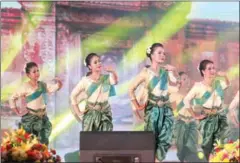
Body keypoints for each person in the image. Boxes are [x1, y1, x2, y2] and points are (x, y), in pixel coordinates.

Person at [129, 43, 178, 162]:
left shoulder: (165, 71)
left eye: (164, 53)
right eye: (159, 53)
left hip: (166, 108)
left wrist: (173, 71)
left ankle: (157, 160)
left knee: (167, 137)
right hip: (153, 109)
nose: (162, 55)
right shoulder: (145, 72)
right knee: (151, 139)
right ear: (151, 55)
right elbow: (131, 88)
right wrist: (137, 105)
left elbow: (176, 84)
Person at [182, 59, 230, 160]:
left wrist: (225, 75)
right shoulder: (198, 86)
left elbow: (227, 84)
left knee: (219, 146)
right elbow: (186, 100)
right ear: (203, 71)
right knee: (207, 147)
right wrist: (195, 115)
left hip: (220, 117)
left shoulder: (218, 83)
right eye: (209, 69)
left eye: (213, 68)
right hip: (206, 120)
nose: (213, 70)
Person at [9, 62, 62, 145]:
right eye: (34, 72)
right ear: (28, 75)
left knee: (43, 142)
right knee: (30, 143)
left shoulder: (43, 85)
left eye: (38, 71)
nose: (37, 73)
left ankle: (43, 157)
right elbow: (12, 98)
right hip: (31, 119)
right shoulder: (25, 86)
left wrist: (59, 83)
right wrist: (17, 112)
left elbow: (55, 87)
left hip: (43, 117)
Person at [70, 53, 118, 131]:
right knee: (90, 139)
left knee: (106, 139)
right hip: (91, 114)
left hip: (105, 113)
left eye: (99, 61)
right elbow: (73, 96)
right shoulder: (85, 81)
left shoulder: (106, 78)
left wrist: (112, 72)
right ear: (90, 67)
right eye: (95, 62)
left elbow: (115, 81)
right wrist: (78, 112)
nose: (98, 63)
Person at [171, 72, 207, 162]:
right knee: (181, 150)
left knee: (191, 147)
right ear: (179, 82)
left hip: (192, 124)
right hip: (180, 125)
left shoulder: (193, 95)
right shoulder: (174, 96)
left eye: (187, 78)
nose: (186, 81)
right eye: (183, 79)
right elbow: (172, 113)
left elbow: (199, 109)